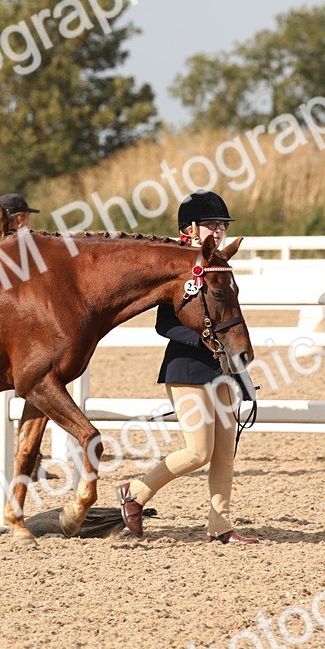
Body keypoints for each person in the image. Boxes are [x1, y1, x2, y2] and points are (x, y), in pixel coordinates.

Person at [116, 190, 259, 545]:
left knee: (225, 453)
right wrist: (203, 337)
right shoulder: (177, 264)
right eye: (212, 224)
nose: (219, 230)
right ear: (191, 228)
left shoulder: (220, 263)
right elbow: (164, 325)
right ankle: (135, 491)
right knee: (197, 451)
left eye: (222, 225)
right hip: (187, 368)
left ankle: (220, 526)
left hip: (223, 368)